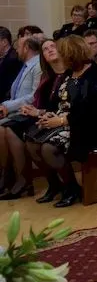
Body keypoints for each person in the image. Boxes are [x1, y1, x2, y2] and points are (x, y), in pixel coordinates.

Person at [25, 36, 97, 207]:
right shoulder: (68, 73)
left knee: (49, 148)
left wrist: (62, 120)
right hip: (66, 121)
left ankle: (72, 188)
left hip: (90, 127)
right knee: (31, 142)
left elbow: (95, 110)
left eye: (63, 54)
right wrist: (49, 115)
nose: (61, 57)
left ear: (73, 54)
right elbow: (57, 101)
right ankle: (54, 185)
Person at [0, 40, 64, 202]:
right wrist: (36, 110)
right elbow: (40, 99)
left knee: (16, 132)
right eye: (46, 49)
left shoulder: (66, 74)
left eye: (53, 47)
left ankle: (23, 181)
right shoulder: (48, 75)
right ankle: (12, 179)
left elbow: (60, 104)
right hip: (41, 114)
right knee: (14, 133)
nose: (50, 50)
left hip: (59, 119)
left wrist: (38, 112)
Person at [0, 38, 42, 196]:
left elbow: (33, 96)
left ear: (26, 48)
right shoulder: (26, 66)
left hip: (28, 112)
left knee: (4, 130)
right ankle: (7, 177)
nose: (16, 50)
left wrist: (7, 106)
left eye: (18, 47)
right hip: (16, 111)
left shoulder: (38, 65)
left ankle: (20, 179)